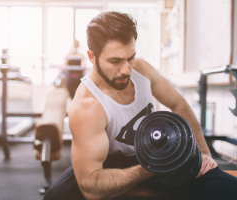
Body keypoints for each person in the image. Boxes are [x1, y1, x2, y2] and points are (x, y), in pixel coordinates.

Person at [44, 11, 237, 200]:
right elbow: (91, 187)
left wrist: (202, 152)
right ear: (92, 57)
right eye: (115, 61)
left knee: (230, 190)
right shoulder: (87, 106)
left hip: (158, 149)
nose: (126, 70)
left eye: (130, 57)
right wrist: (153, 167)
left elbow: (178, 103)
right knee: (56, 197)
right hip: (109, 164)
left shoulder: (142, 70)